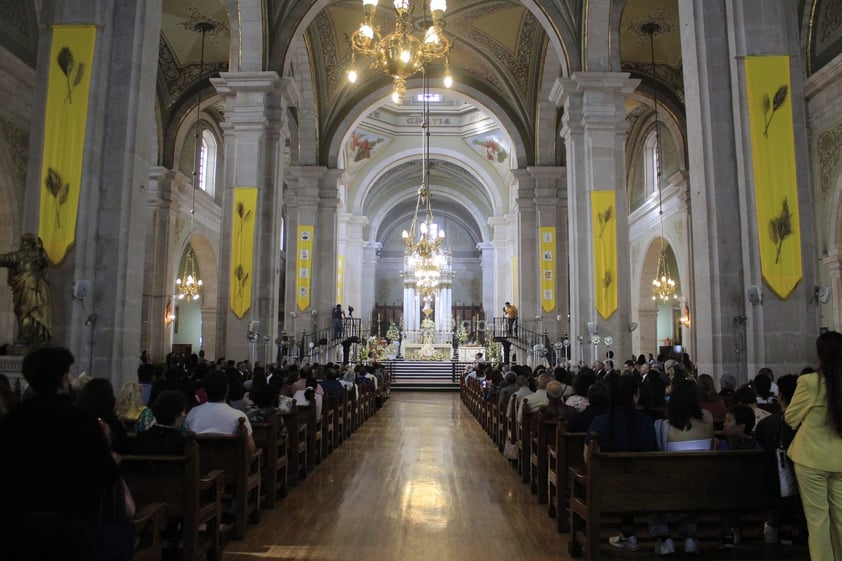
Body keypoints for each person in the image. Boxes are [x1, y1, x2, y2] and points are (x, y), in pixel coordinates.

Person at [0, 347, 121, 561]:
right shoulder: (83, 419)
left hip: (20, 525)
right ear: (64, 379)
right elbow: (107, 475)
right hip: (74, 524)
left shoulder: (13, 420)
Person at [785, 331, 842, 561]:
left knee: (818, 521)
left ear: (820, 356)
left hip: (811, 458)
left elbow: (790, 418)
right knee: (840, 517)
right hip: (839, 459)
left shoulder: (810, 383)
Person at [586, 376, 657, 552]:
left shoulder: (600, 422)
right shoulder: (647, 422)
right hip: (645, 485)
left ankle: (626, 534)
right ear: (635, 396)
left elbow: (588, 459)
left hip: (606, 487)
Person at [650, 379, 714, 555]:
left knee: (650, 485)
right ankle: (690, 537)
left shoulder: (662, 426)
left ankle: (663, 537)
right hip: (704, 484)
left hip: (671, 486)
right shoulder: (708, 419)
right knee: (692, 480)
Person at [186, 370, 256, 453]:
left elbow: (187, 444)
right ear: (227, 389)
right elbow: (250, 449)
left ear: (204, 391)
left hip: (200, 464)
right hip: (231, 464)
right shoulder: (239, 416)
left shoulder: (193, 413)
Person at [0, 234, 51, 347]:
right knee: (23, 311)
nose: (25, 244)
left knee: (34, 310)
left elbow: (44, 259)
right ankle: (26, 335)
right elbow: (4, 259)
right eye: (24, 241)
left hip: (36, 285)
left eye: (27, 241)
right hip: (23, 285)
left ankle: (32, 336)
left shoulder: (37, 254)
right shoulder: (18, 255)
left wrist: (40, 247)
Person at [134, 390, 189, 455]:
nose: (184, 415)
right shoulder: (181, 442)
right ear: (176, 415)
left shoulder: (141, 437)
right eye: (183, 411)